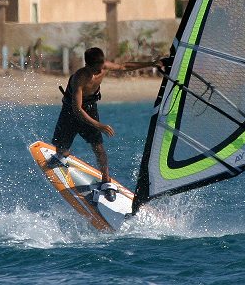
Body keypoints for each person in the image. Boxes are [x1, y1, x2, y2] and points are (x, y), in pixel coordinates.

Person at [49, 47, 161, 202]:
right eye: (96, 67)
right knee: (61, 149)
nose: (100, 70)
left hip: (90, 107)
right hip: (71, 111)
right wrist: (98, 125)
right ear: (88, 64)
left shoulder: (103, 66)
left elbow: (124, 67)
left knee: (99, 147)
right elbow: (76, 108)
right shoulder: (79, 78)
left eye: (102, 66)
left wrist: (153, 63)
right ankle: (63, 154)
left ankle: (106, 180)